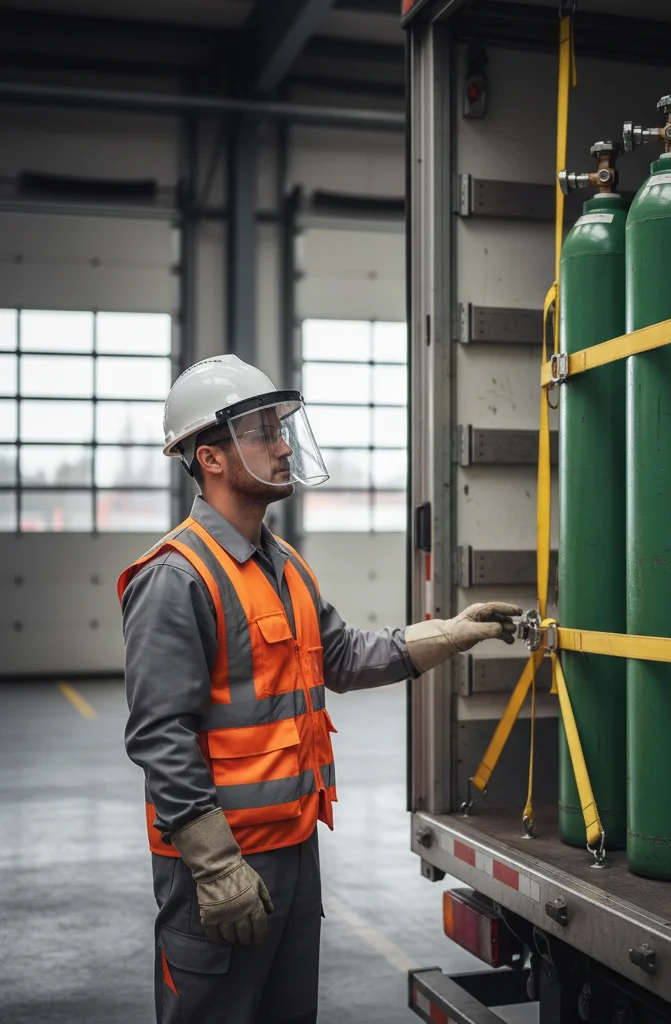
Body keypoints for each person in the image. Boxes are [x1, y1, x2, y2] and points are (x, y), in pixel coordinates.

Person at [118, 354, 521, 1024]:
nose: (282, 446)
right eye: (263, 432)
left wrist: (448, 634)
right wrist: (216, 868)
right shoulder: (177, 578)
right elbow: (161, 737)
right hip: (220, 862)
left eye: (282, 428)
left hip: (292, 852)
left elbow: (339, 655)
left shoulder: (283, 565)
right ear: (211, 458)